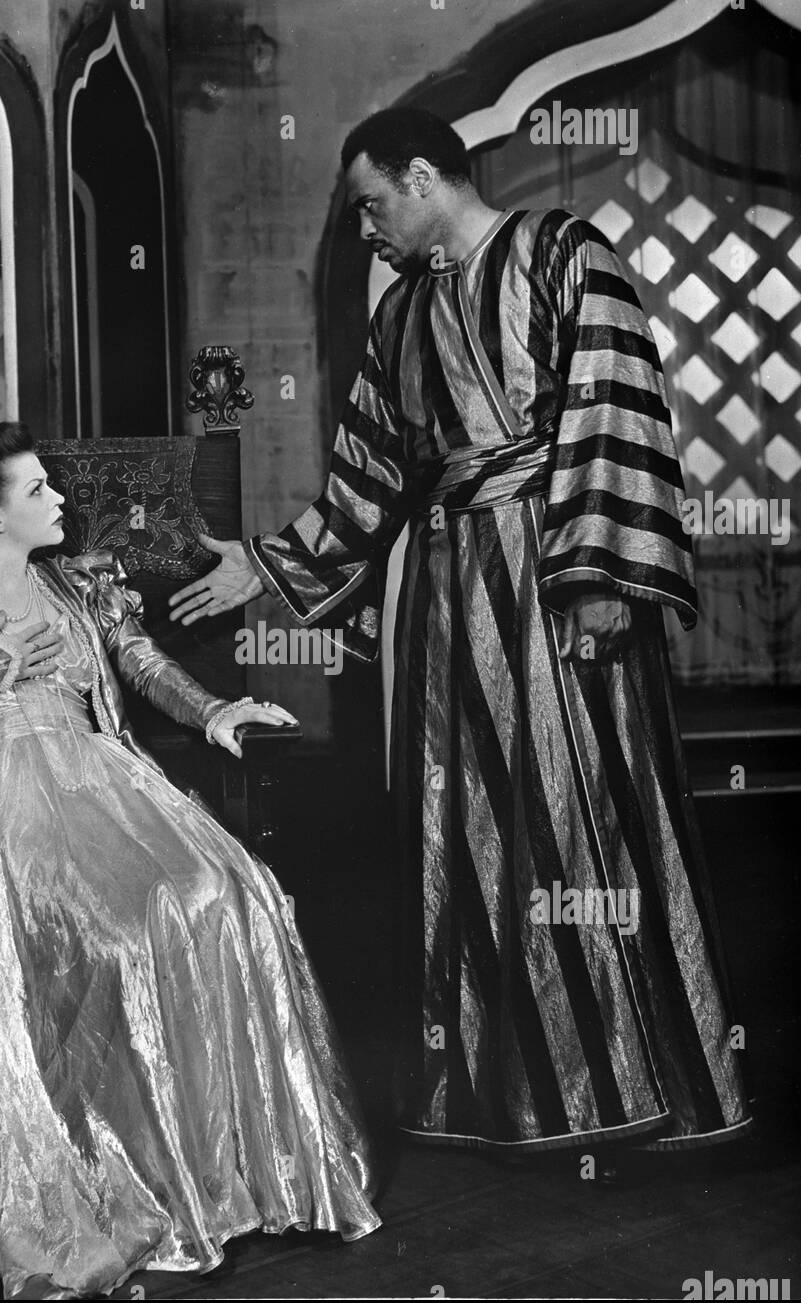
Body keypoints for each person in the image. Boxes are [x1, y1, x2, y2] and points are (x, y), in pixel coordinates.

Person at [169, 107, 751, 1156]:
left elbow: (616, 407)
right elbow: (366, 478)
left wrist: (602, 575)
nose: (365, 232)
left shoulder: (564, 254)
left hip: (559, 577)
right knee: (471, 835)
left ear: (425, 176)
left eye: (370, 205)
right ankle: (509, 1097)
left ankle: (634, 1083)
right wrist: (257, 562)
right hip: (444, 595)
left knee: (582, 819)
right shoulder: (398, 320)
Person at [0, 422, 381, 1300]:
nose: (59, 500)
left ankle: (223, 1166)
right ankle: (105, 1159)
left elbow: (141, 663)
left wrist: (215, 713)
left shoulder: (80, 585)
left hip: (103, 783)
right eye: (36, 491)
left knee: (227, 892)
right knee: (115, 932)